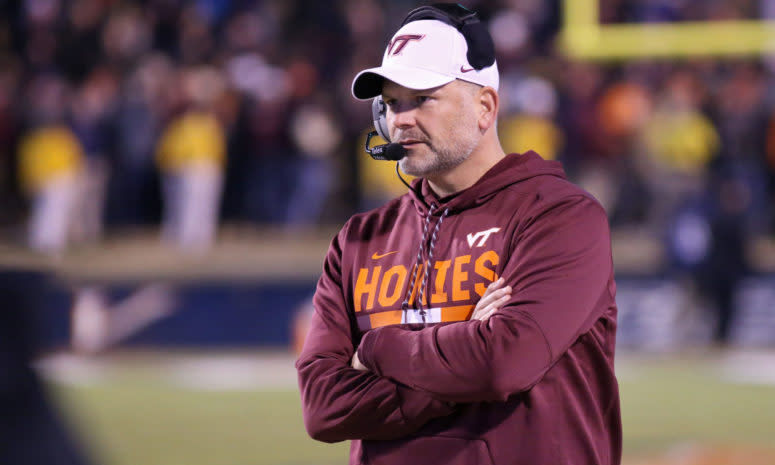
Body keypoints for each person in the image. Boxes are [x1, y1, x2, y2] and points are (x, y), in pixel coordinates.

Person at [296, 4, 621, 465]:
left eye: (422, 99)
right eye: (390, 103)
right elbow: (323, 408)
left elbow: (504, 363)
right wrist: (467, 342)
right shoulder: (358, 239)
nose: (400, 120)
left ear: (485, 106)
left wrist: (378, 348)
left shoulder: (562, 218)